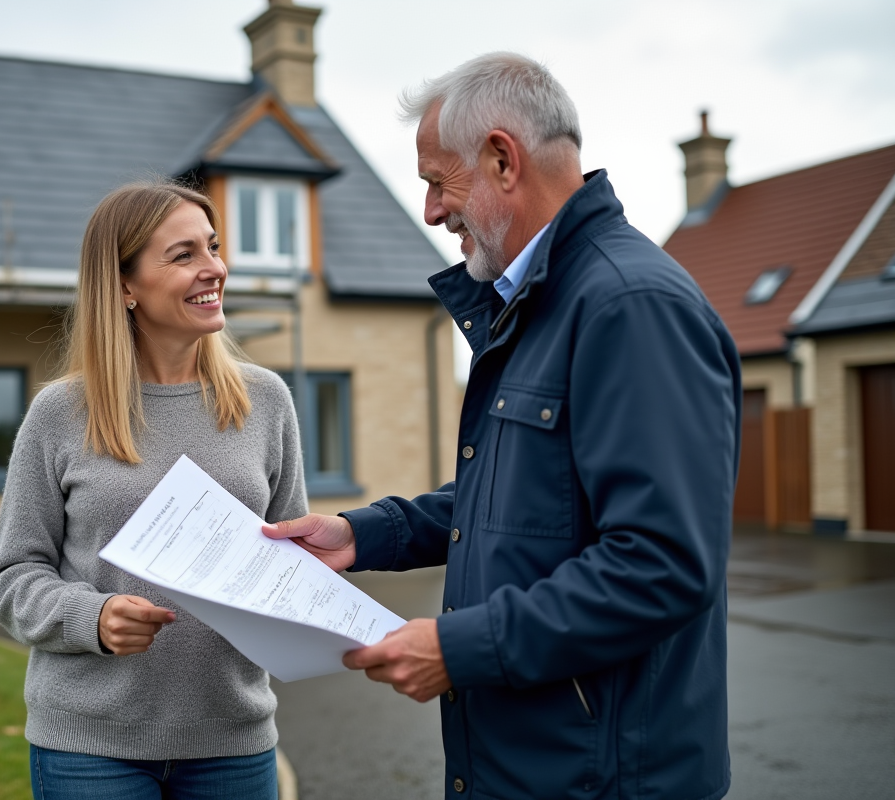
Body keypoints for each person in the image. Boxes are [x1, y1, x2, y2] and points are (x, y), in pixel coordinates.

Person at [264, 53, 741, 800]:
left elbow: (663, 562)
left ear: (501, 159)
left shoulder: (629, 307)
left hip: (602, 783)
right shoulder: (540, 306)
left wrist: (460, 648)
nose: (429, 210)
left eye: (436, 180)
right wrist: (366, 536)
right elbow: (522, 499)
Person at [0, 180, 307, 800]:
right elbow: (12, 576)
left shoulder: (266, 401)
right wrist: (94, 617)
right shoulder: (59, 413)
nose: (214, 268)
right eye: (183, 255)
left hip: (232, 742)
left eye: (212, 248)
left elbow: (287, 563)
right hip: (90, 746)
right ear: (124, 285)